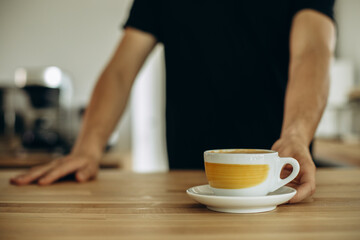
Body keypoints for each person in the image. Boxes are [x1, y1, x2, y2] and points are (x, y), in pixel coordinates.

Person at [11, 0, 336, 203]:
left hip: (281, 178)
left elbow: (312, 51)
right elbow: (121, 71)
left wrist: (296, 134)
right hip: (189, 185)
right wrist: (88, 148)